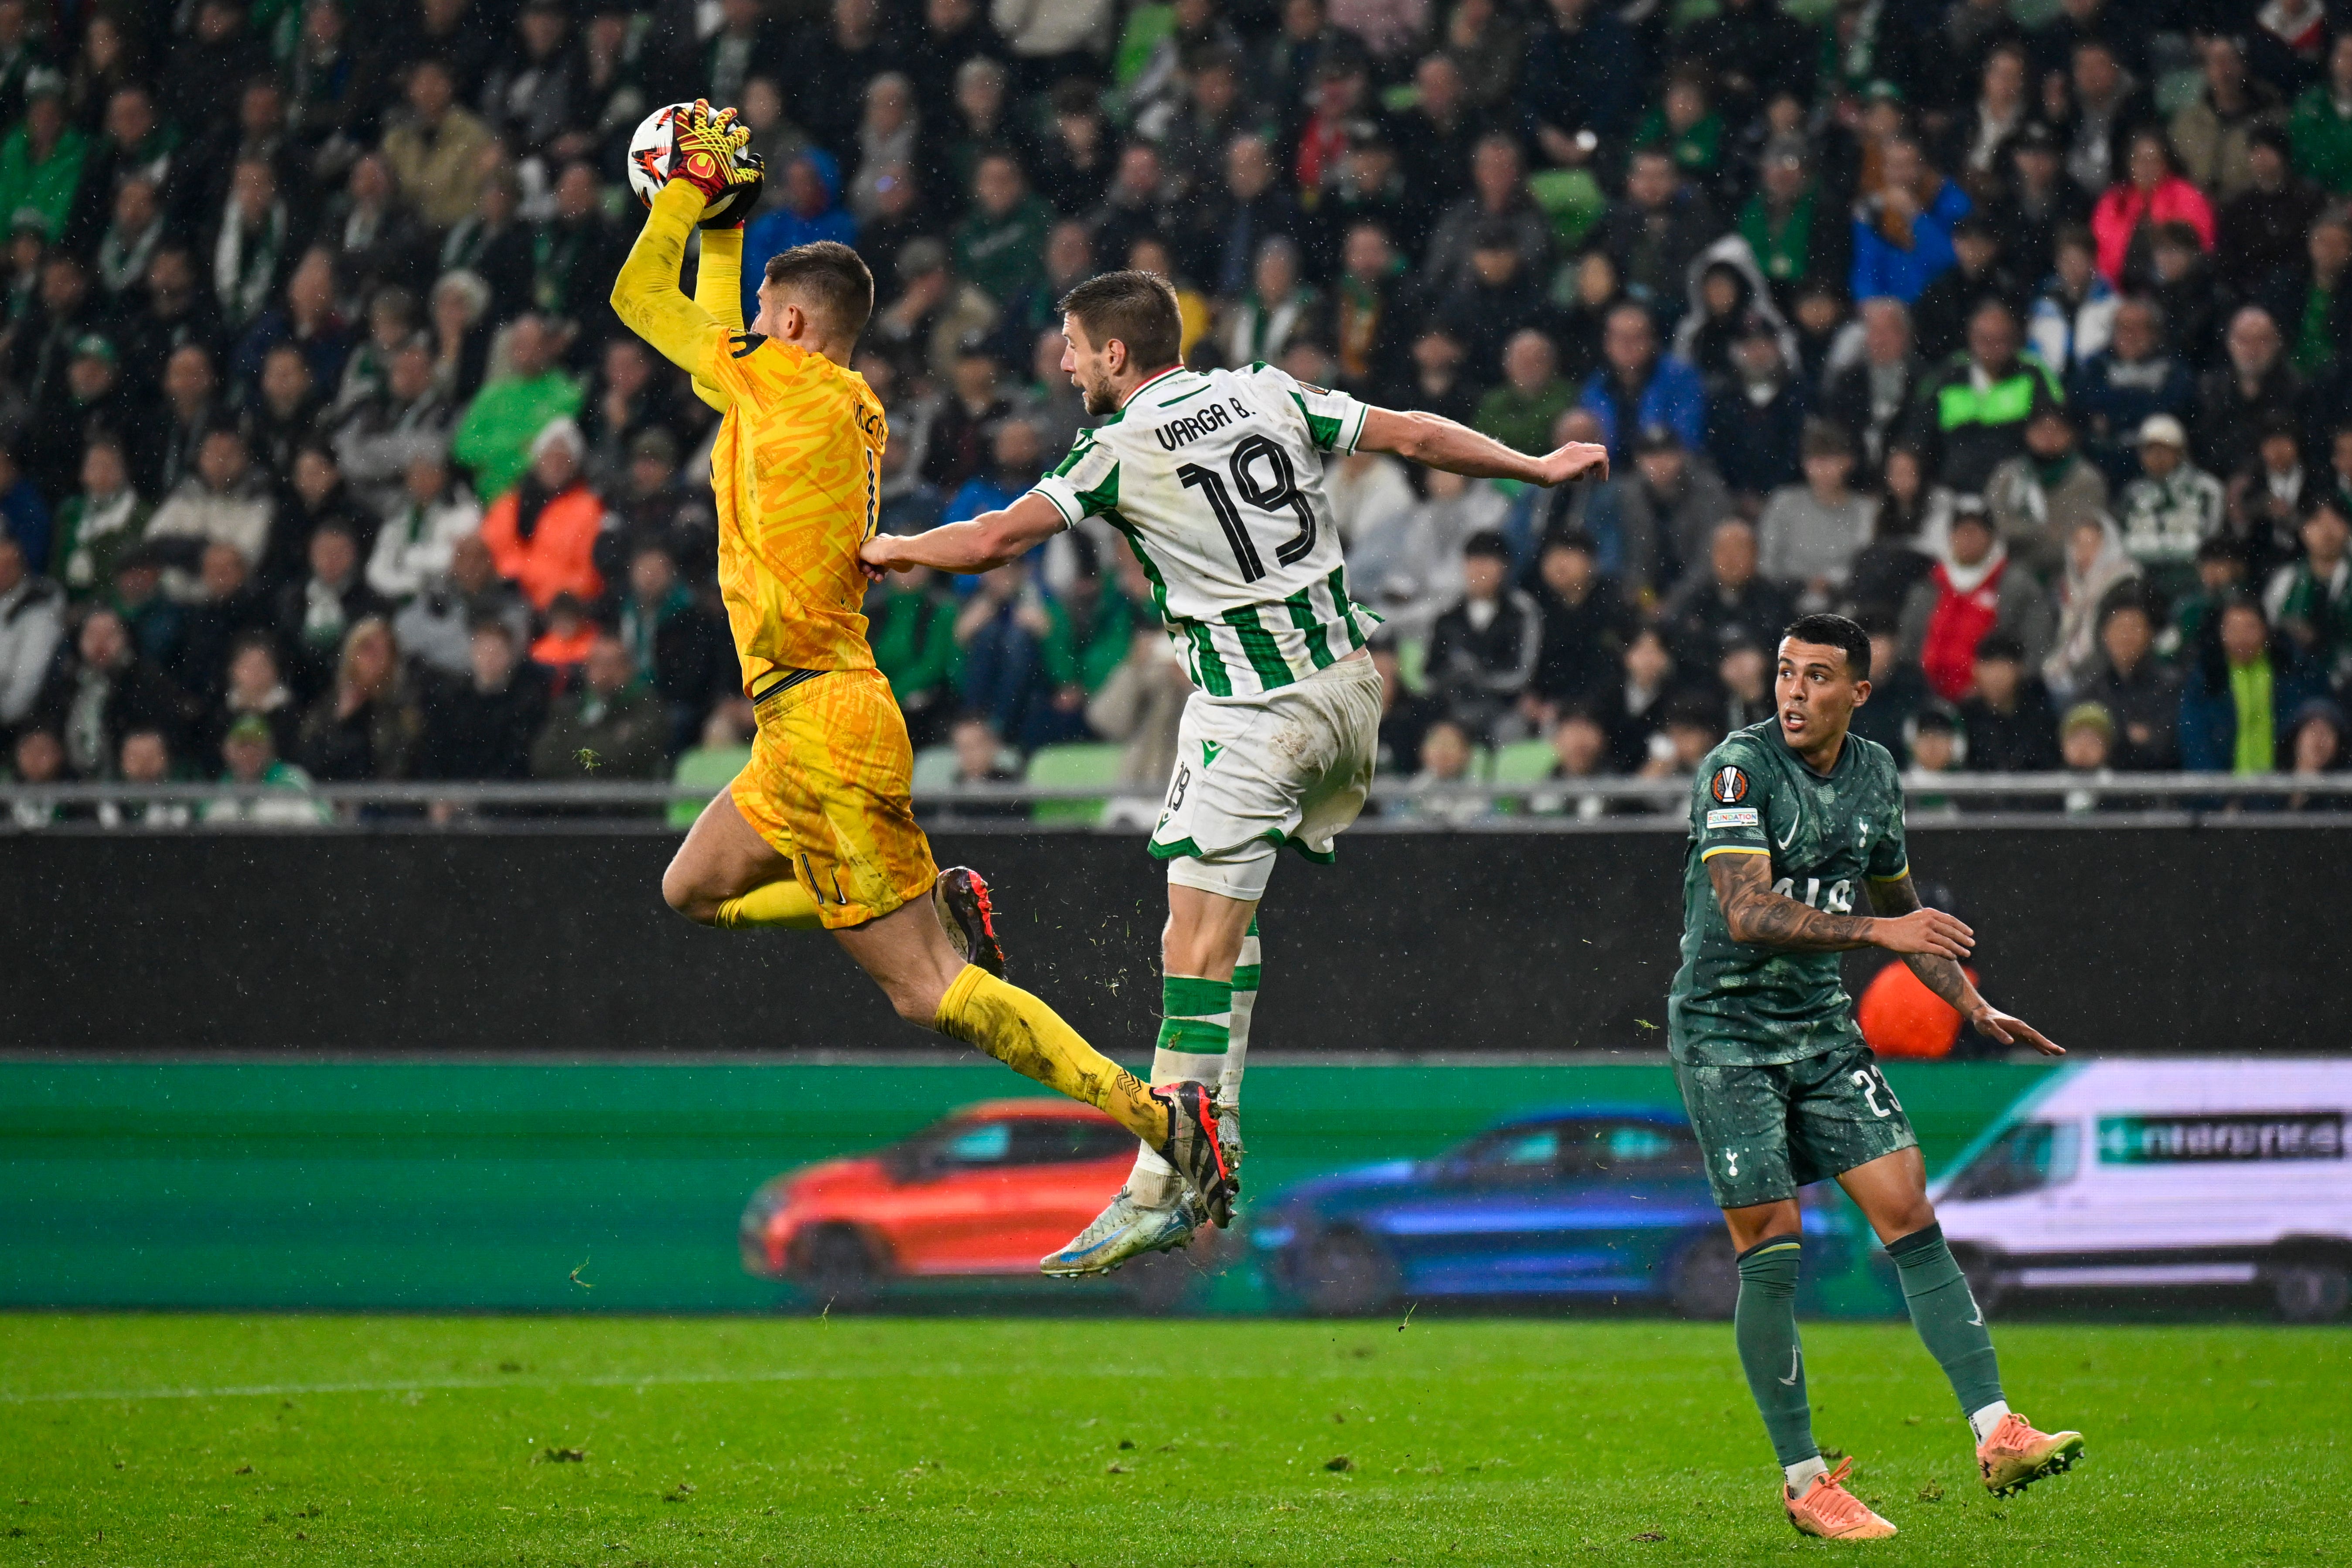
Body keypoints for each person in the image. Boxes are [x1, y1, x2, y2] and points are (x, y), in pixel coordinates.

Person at [859, 264, 1609, 1275]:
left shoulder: (1113, 448)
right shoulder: (1266, 389)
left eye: (1074, 344)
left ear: (1115, 353)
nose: (1065, 359)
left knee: (1192, 948)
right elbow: (1418, 436)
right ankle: (1218, 1136)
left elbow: (995, 539)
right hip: (1348, 688)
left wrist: (896, 547)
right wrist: (1535, 465)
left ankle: (1162, 1180)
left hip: (1261, 713)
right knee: (1225, 927)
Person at [607, 105, 1238, 1235]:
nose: (741, 329)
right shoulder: (826, 395)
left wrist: (685, 197)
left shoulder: (778, 384)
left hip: (824, 723)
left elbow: (635, 305)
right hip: (801, 721)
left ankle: (1157, 1119)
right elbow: (713, 348)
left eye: (759, 313)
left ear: (788, 324)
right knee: (692, 887)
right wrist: (729, 237)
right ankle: (938, 895)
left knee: (926, 991)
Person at [1668, 610, 2076, 1542]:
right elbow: (1744, 910)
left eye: (1817, 677)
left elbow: (1902, 907)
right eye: (1784, 673)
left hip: (1819, 1032)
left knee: (1911, 1213)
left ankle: (1997, 1429)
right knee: (1773, 1244)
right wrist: (1882, 934)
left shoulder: (1876, 775)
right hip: (1727, 1035)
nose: (1794, 692)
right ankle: (1806, 1480)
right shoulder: (1738, 767)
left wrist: (1970, 1004)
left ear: (1859, 691)